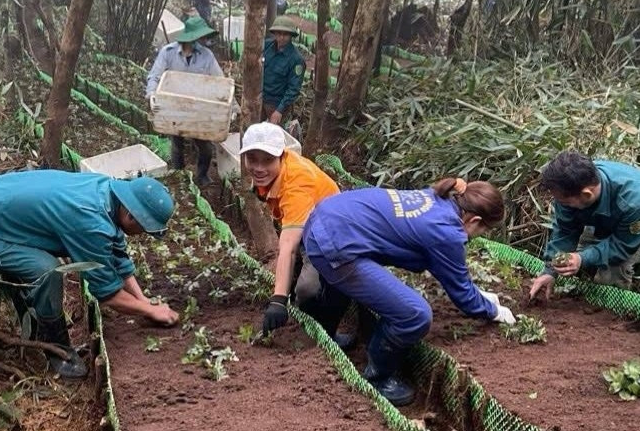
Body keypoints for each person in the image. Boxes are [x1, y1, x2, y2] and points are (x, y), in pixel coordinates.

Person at [301, 178, 517, 406]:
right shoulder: (446, 232)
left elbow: (451, 274)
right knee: (414, 314)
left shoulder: (439, 199)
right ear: (475, 220)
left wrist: (480, 294)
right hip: (334, 245)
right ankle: (378, 378)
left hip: (325, 220)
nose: (479, 235)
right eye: (484, 230)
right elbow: (463, 295)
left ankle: (326, 335)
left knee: (350, 281)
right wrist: (494, 311)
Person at [0, 171, 181, 378]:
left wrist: (143, 302)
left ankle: (32, 323)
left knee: (39, 265)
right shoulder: (90, 220)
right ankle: (56, 348)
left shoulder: (107, 192)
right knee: (47, 270)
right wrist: (151, 311)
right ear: (130, 215)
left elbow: (117, 255)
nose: (143, 234)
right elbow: (108, 294)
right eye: (144, 228)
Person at [240, 122, 352, 347]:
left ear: (280, 156)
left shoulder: (296, 185)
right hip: (310, 225)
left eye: (267, 160)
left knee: (307, 289)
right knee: (296, 280)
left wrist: (278, 300)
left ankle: (326, 335)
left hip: (334, 234)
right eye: (252, 159)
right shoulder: (276, 172)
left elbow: (289, 246)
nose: (259, 168)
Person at [530, 152, 640, 299]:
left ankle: (613, 307)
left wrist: (582, 258)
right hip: (603, 221)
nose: (562, 204)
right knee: (578, 262)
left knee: (610, 275)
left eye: (565, 202)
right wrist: (550, 271)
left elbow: (623, 245)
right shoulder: (569, 189)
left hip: (632, 233)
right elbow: (565, 231)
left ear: (587, 195)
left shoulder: (633, 203)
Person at [147, 16, 226, 186]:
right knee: (177, 143)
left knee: (206, 147)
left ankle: (202, 175)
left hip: (199, 109)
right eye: (201, 36)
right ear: (191, 37)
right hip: (174, 107)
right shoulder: (168, 53)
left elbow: (220, 82)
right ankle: (179, 175)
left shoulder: (207, 56)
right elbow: (155, 76)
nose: (204, 39)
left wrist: (231, 107)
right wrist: (152, 94)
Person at [262, 15, 306, 126]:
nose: (281, 37)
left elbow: (293, 88)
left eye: (285, 34)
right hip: (260, 99)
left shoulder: (296, 59)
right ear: (274, 33)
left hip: (276, 103)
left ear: (291, 36)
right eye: (279, 33)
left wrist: (279, 110)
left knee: (276, 134)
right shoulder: (266, 46)